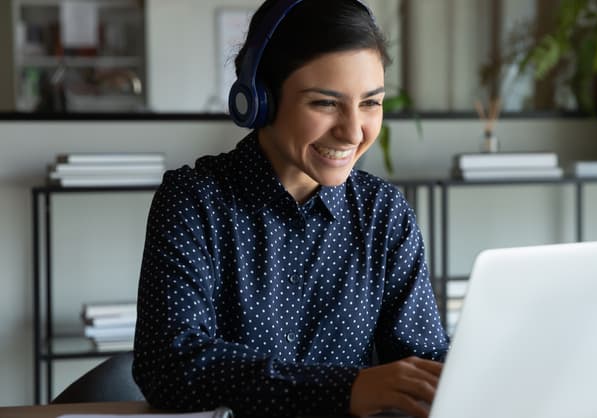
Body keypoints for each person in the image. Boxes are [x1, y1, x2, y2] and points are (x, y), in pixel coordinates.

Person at [132, 1, 449, 417]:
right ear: (259, 100)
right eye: (325, 103)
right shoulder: (194, 201)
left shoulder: (383, 213)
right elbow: (170, 367)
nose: (353, 131)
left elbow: (424, 364)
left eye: (370, 103)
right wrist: (346, 389)